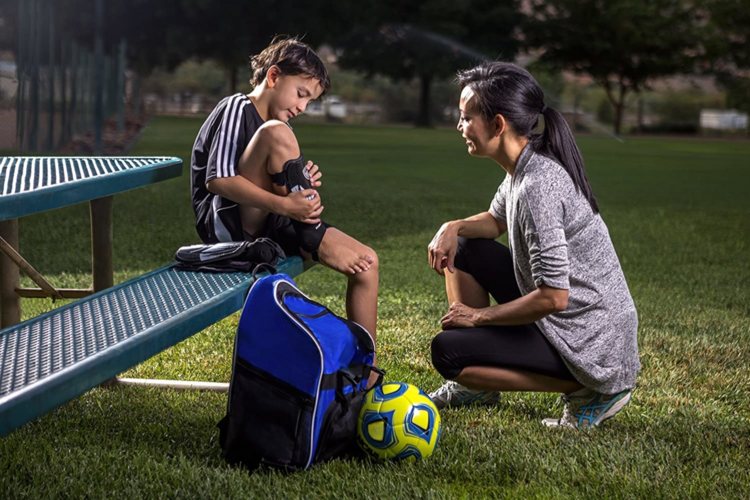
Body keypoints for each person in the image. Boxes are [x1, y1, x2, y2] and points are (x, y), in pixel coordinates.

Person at [427, 62, 639, 428]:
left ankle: (589, 389)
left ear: (497, 124)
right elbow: (494, 223)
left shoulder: (538, 186)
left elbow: (553, 297)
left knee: (450, 355)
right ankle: (478, 389)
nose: (459, 127)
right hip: (565, 320)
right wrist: (453, 226)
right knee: (463, 247)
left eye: (466, 118)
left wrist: (477, 318)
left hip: (591, 343)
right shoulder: (524, 169)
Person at [190, 38, 380, 385]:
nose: (303, 107)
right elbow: (216, 180)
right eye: (302, 93)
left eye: (310, 100)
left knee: (367, 263)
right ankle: (309, 226)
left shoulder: (282, 129)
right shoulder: (237, 107)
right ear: (274, 76)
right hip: (228, 224)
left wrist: (302, 180)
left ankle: (365, 378)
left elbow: (275, 179)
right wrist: (286, 203)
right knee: (277, 133)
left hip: (271, 223)